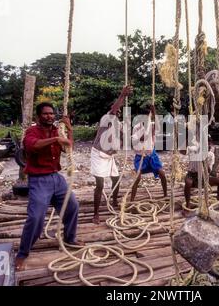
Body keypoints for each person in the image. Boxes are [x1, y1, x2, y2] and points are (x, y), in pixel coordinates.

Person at [15, 102, 80, 271]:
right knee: (36, 217)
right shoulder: (32, 131)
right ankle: (22, 253)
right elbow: (32, 146)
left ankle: (70, 238)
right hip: (38, 180)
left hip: (56, 178)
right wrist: (56, 139)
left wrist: (69, 129)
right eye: (45, 114)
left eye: (51, 113)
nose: (49, 116)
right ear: (38, 116)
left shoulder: (57, 130)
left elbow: (68, 147)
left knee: (72, 205)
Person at [90, 85, 133, 224]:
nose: (118, 112)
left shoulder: (118, 123)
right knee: (100, 184)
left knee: (116, 179)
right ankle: (95, 214)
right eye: (117, 110)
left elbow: (124, 137)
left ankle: (114, 201)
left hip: (110, 156)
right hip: (99, 154)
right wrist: (122, 95)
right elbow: (114, 110)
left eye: (120, 112)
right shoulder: (106, 118)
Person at [130, 104, 168, 201]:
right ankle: (131, 199)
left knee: (162, 173)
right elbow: (135, 141)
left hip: (152, 155)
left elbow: (158, 127)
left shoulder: (152, 125)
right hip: (140, 156)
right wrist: (142, 135)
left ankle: (165, 195)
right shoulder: (137, 127)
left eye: (148, 116)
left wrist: (154, 112)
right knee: (137, 178)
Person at [183, 137, 219, 216]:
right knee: (188, 183)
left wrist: (204, 161)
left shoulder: (211, 155)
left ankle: (218, 201)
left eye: (209, 144)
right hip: (192, 176)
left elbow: (209, 171)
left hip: (204, 178)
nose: (208, 146)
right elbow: (183, 150)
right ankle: (187, 205)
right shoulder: (194, 151)